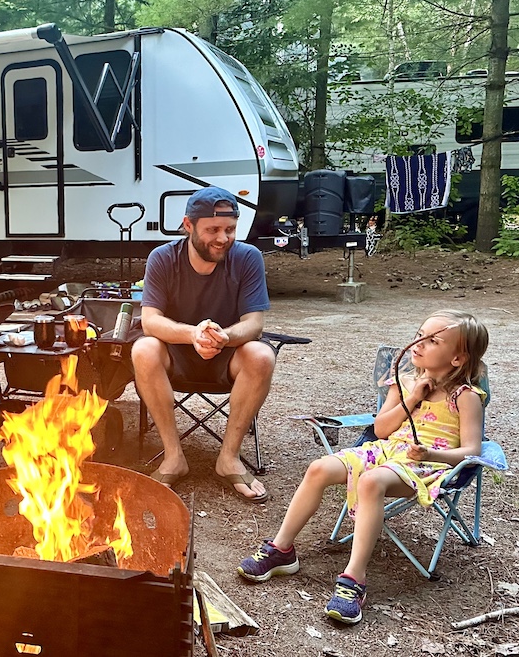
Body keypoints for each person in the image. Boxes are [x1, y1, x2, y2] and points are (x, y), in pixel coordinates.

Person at [236, 309, 489, 625]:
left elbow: (472, 451)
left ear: (457, 359)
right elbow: (382, 429)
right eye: (419, 334)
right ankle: (282, 549)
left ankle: (354, 579)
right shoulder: (404, 380)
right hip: (386, 451)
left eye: (432, 340)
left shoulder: (466, 397)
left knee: (370, 482)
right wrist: (412, 398)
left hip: (425, 465)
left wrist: (429, 455)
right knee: (318, 468)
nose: (418, 344)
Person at [132, 186, 275, 502]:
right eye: (213, 230)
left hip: (227, 358)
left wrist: (225, 338)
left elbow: (254, 324)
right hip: (177, 358)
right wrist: (192, 335)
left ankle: (229, 458)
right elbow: (150, 320)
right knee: (143, 348)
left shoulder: (247, 258)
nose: (223, 238)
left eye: (230, 230)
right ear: (188, 225)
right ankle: (173, 457)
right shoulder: (163, 258)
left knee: (261, 354)